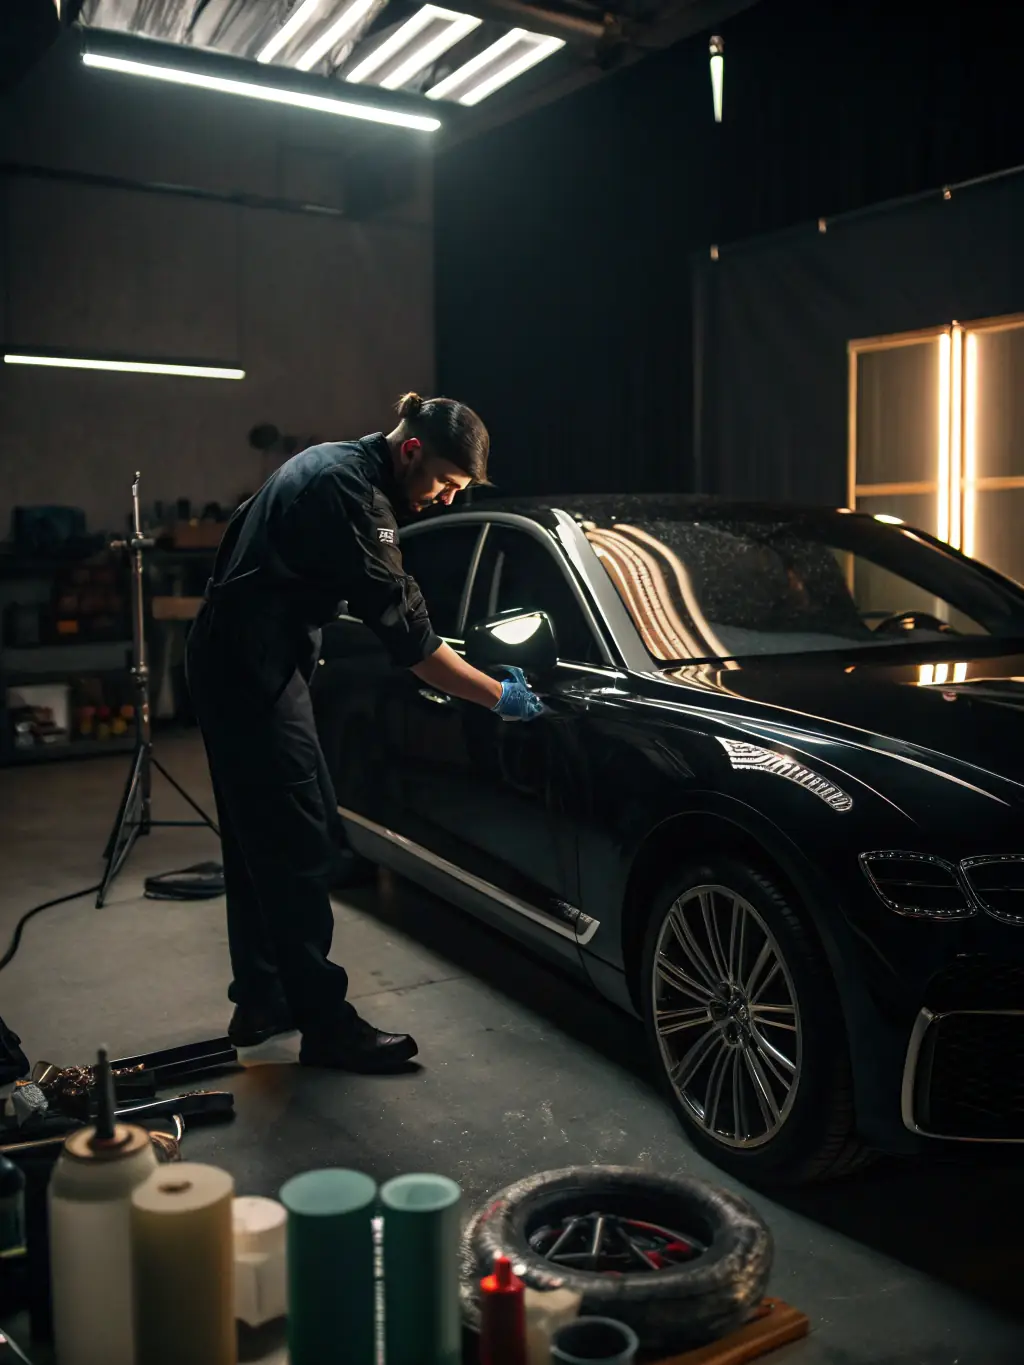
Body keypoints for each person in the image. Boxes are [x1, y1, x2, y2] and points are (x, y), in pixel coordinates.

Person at [186, 393, 544, 1073]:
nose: (443, 500)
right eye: (443, 483)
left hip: (236, 654)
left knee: (258, 834)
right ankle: (327, 1025)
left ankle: (262, 999)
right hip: (251, 666)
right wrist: (499, 696)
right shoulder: (353, 496)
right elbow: (412, 642)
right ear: (411, 450)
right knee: (297, 840)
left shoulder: (329, 463)